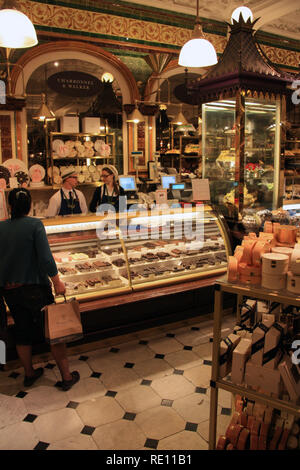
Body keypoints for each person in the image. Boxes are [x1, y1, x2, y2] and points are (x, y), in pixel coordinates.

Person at [0, 188, 80, 390]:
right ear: (29, 206)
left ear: (9, 206)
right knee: (53, 331)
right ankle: (67, 377)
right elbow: (46, 258)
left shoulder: (1, 228)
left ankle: (29, 374)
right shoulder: (35, 224)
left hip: (10, 291)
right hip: (35, 289)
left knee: (22, 331)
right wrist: (57, 282)